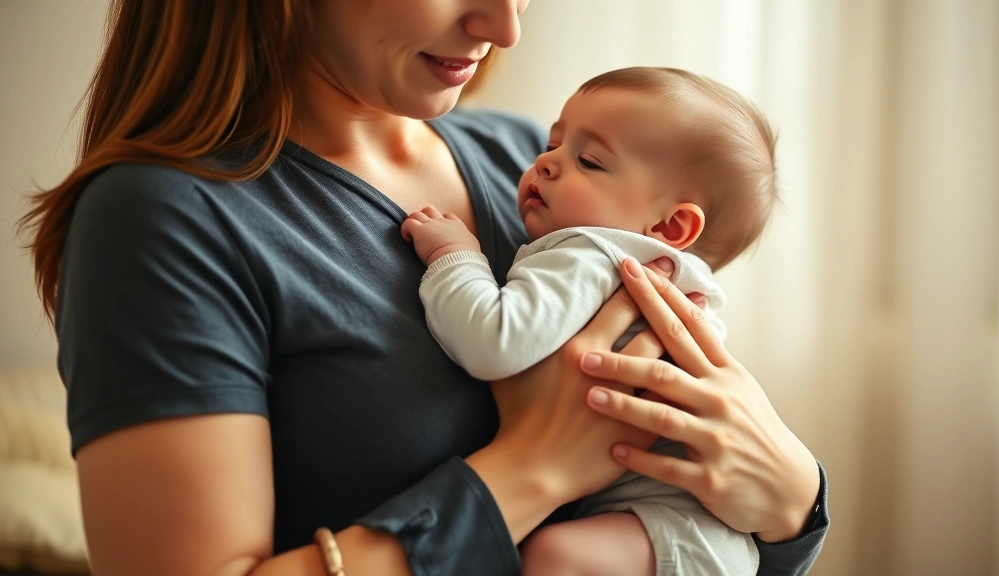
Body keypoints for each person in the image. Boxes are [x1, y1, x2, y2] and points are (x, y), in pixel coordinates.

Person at [18, 2, 829, 575]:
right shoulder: (165, 219)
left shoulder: (524, 164)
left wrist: (793, 499)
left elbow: (734, 523)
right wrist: (533, 469)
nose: (504, 25)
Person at [401, 66, 775, 576]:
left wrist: (454, 255)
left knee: (553, 558)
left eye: (590, 160)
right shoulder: (657, 271)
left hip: (667, 527)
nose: (547, 161)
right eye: (554, 143)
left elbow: (494, 341)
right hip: (703, 529)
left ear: (670, 225)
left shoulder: (591, 251)